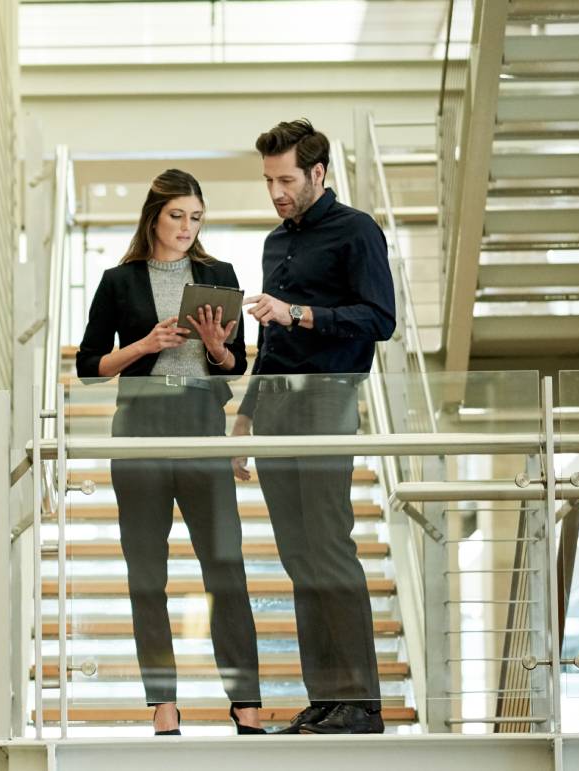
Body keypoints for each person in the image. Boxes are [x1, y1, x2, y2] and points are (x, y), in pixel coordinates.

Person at [75, 169, 263, 736]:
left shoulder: (218, 275)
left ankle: (247, 704)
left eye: (196, 217)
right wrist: (145, 344)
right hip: (139, 429)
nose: (187, 227)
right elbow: (88, 368)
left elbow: (237, 364)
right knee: (146, 576)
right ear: (154, 216)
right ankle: (164, 705)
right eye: (177, 215)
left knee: (226, 568)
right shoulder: (119, 281)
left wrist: (216, 349)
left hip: (201, 422)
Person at [236, 119, 397, 735]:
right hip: (275, 407)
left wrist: (298, 312)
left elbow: (379, 319)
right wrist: (245, 416)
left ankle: (361, 701)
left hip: (329, 402)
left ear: (318, 174)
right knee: (298, 557)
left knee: (330, 546)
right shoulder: (276, 244)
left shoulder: (357, 231)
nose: (275, 191)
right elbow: (268, 342)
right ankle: (326, 699)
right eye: (268, 180)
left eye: (285, 179)